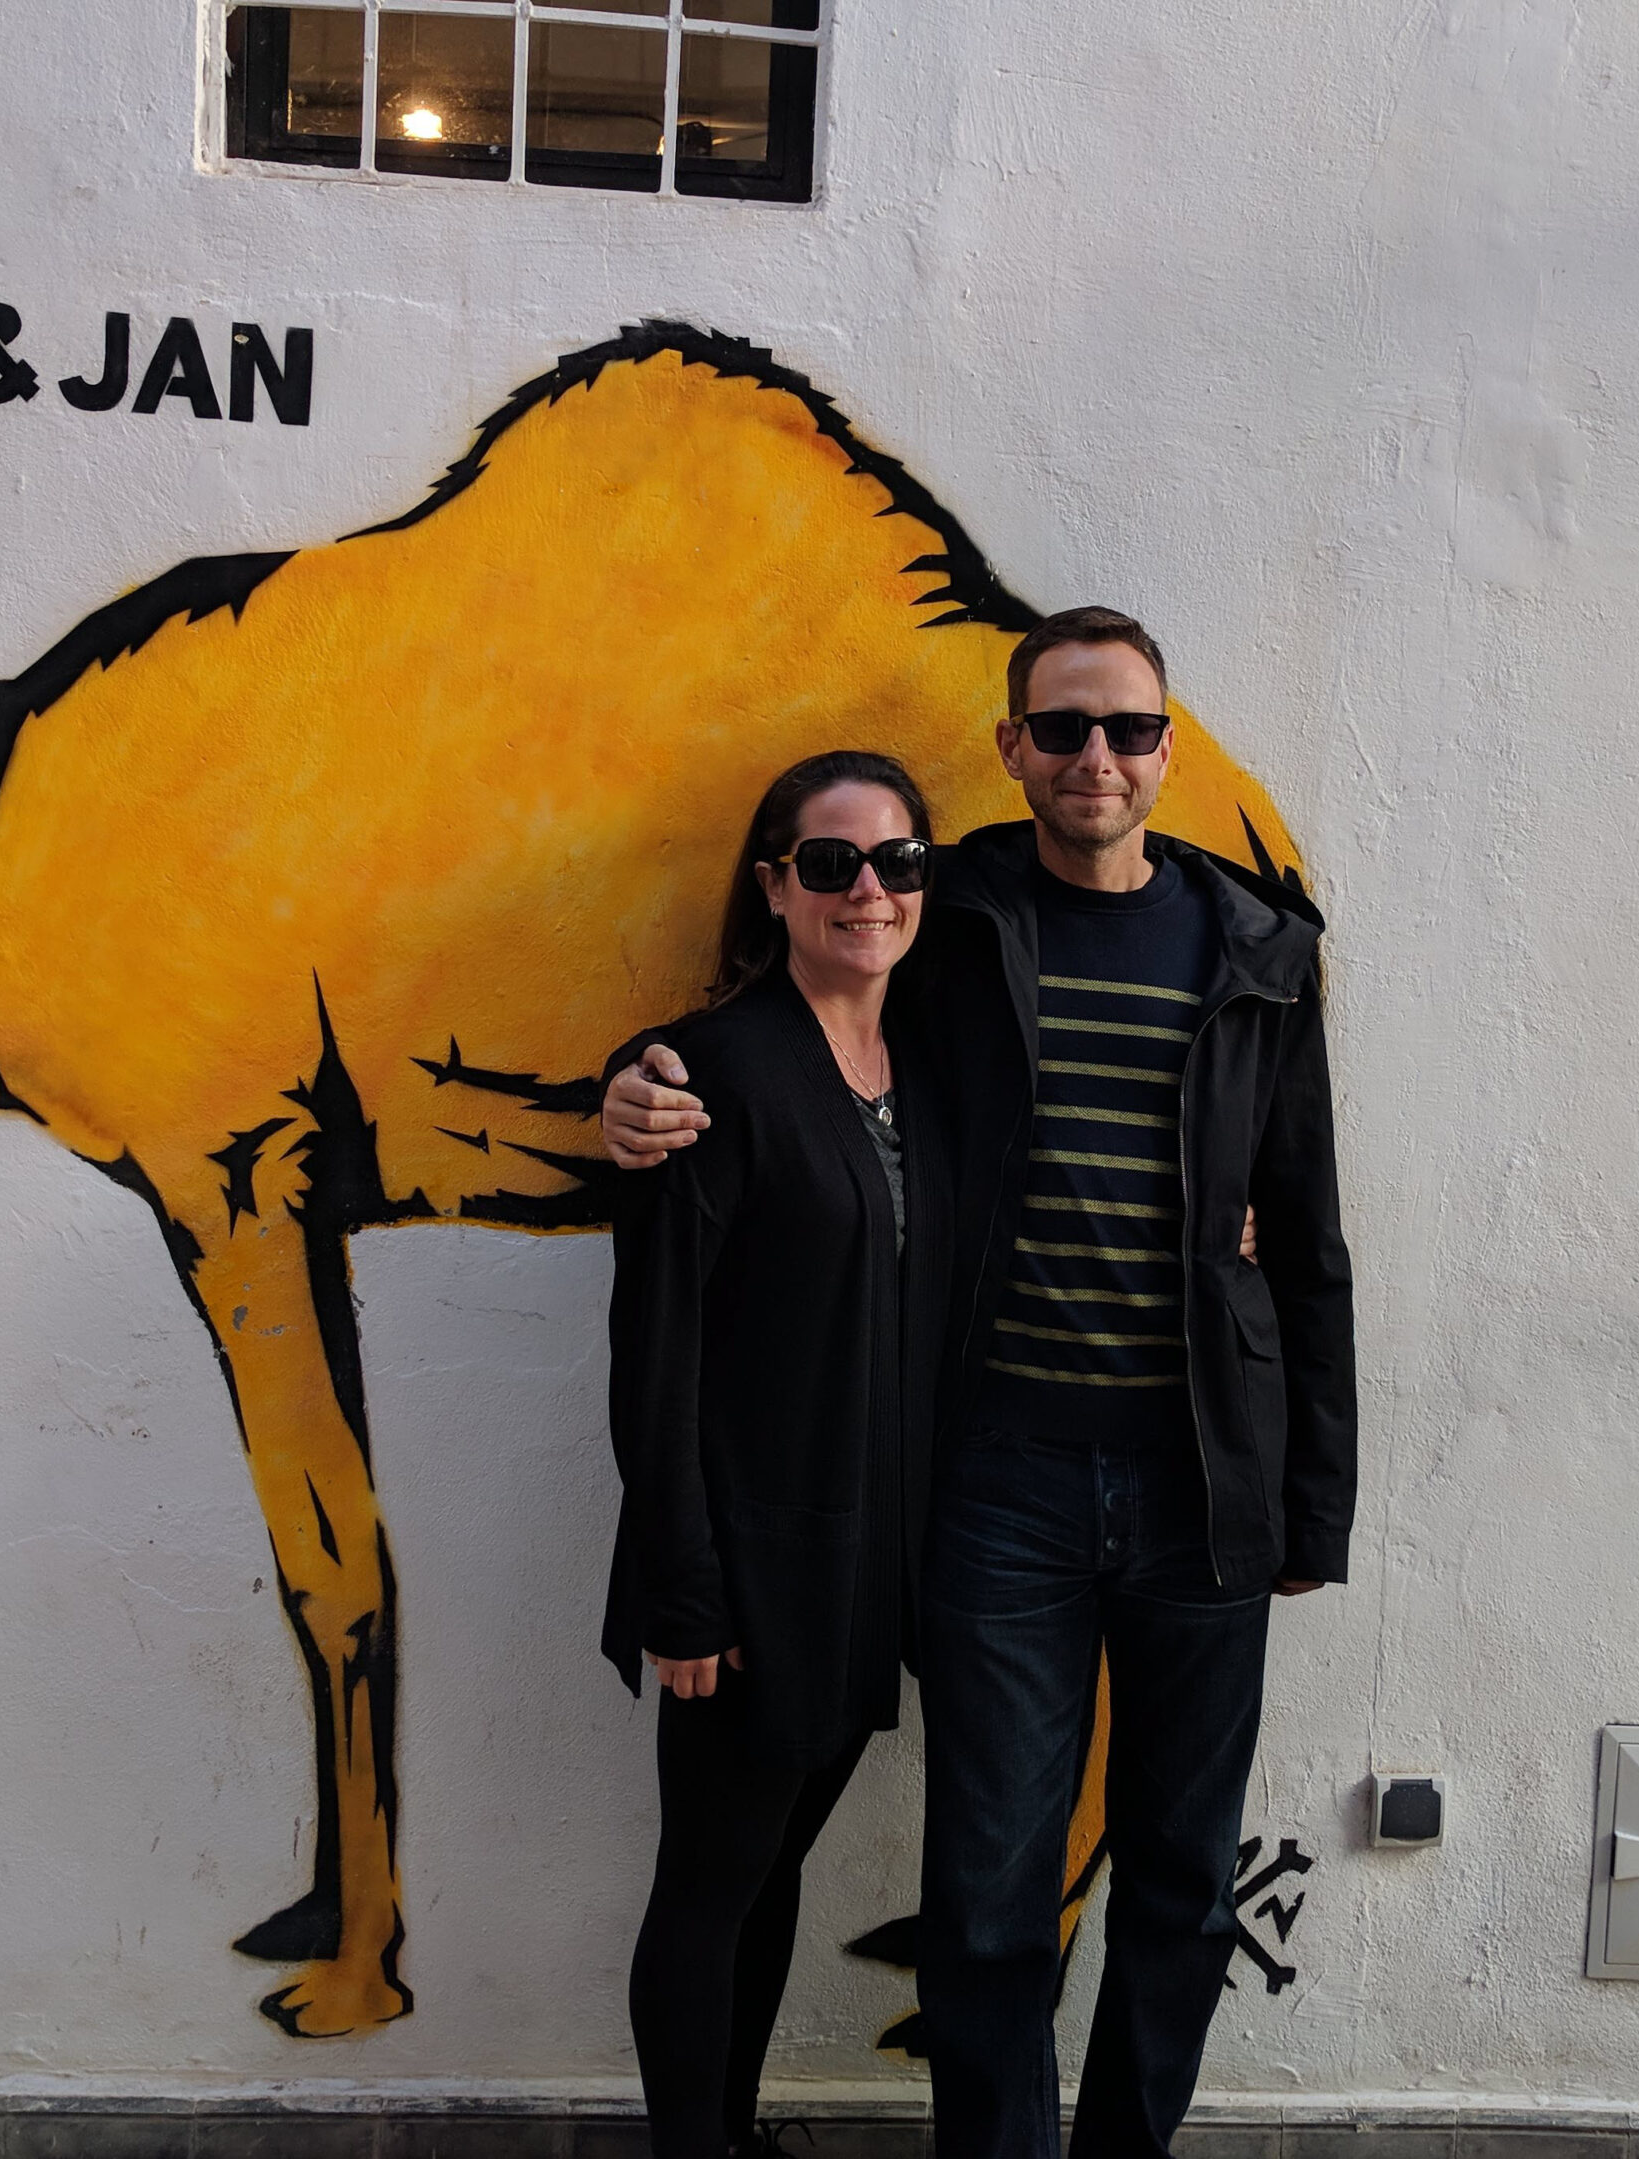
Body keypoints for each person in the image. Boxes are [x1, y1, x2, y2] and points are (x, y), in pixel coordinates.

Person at [602, 609, 1357, 2159]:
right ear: (1013, 748)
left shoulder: (1258, 954)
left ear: (1167, 746)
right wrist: (627, 1082)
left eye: (1129, 730)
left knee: (1177, 1880)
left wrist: (1315, 1500)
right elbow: (786, 1020)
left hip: (1204, 1484)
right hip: (995, 1484)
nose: (1097, 758)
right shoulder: (959, 920)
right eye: (1063, 728)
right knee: (995, 1893)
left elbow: (1311, 1243)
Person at [603, 750, 955, 2159]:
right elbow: (658, 1349)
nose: (867, 890)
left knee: (770, 1868)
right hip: (746, 1568)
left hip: (867, 1556)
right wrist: (684, 1588)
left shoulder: (923, 1065)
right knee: (710, 1882)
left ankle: (731, 2134)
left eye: (897, 864)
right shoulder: (711, 1073)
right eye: (830, 864)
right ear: (776, 884)